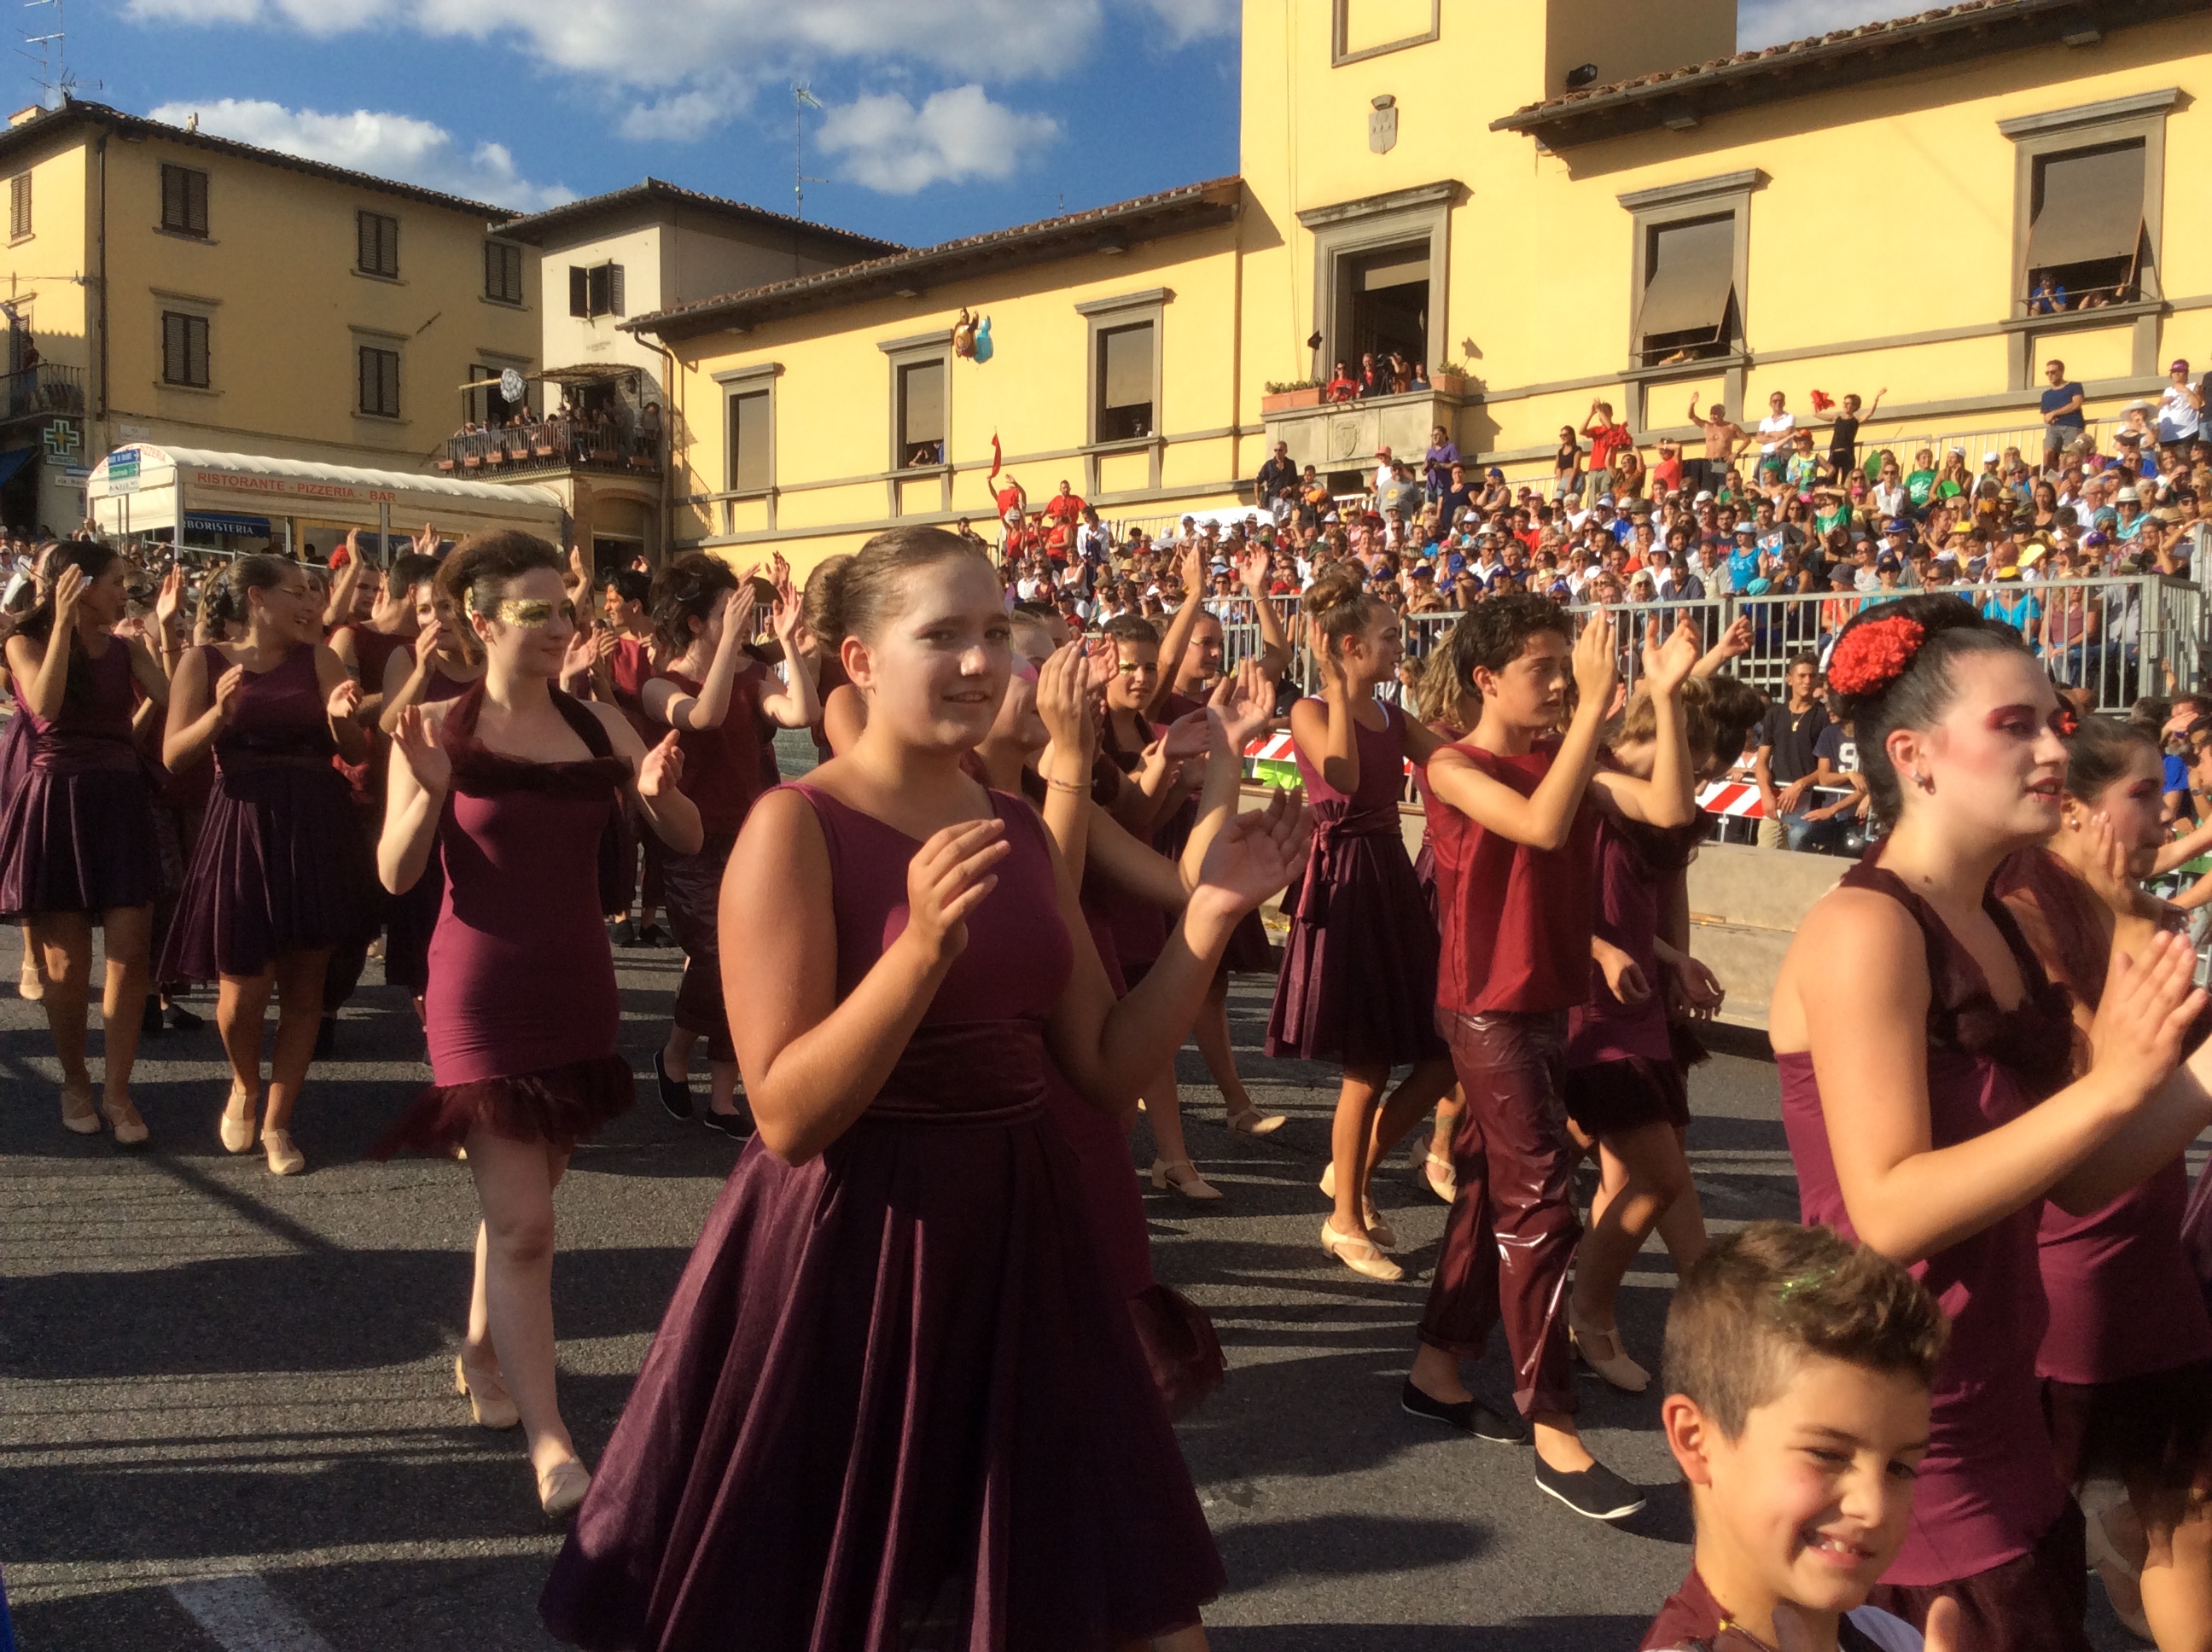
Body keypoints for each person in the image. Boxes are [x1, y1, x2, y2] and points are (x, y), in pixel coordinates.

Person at [539, 525, 1310, 1649]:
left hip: (1025, 1238)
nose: (977, 659)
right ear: (857, 660)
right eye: (940, 633)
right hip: (857, 1249)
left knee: (1124, 1605)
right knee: (851, 1597)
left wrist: (1205, 920)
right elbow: (788, 1116)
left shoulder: (1015, 829)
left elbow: (1102, 1069)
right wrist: (917, 957)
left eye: (994, 631)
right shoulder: (793, 827)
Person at [1769, 595, 2212, 1650]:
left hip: (1997, 1394)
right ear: (1914, 755)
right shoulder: (1865, 926)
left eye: (2053, 718)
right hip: (1905, 1422)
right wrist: (2113, 1081)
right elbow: (1887, 1209)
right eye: (2015, 725)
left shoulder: (1993, 927)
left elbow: (2074, 1180)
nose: (2055, 743)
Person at [374, 532, 701, 1519]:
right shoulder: (430, 723)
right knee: (526, 1222)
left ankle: (482, 1343)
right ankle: (551, 1439)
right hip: (478, 989)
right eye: (538, 610)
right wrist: (427, 797)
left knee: (528, 1199)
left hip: (578, 986)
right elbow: (393, 874)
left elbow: (683, 835)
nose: (562, 625)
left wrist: (661, 792)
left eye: (567, 608)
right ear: (481, 622)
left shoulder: (600, 721)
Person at [1409, 596, 1700, 1521]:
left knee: (1492, 1190)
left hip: (1545, 1003)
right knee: (1540, 1199)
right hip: (1486, 1009)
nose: (1561, 684)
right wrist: (1588, 714)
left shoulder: (1560, 754)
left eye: (1561, 667)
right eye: (1544, 670)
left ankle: (1436, 1370)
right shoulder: (1454, 762)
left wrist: (1664, 696)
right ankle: (1554, 1427)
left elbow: (1668, 812)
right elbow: (1535, 826)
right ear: (1487, 679)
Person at [1990, 716, 2212, 1649]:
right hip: (2065, 1268)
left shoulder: (2145, 915)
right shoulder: (2030, 919)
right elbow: (2095, 1101)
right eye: (2143, 797)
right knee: (2025, 1534)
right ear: (2073, 810)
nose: (2168, 815)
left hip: (2152, 1259)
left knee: (2185, 1509)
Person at [159, 555, 376, 1177]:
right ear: (257, 598)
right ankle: (244, 1085)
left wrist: (343, 721)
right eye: (298, 593)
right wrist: (217, 716)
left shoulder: (321, 659)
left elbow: (356, 751)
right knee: (241, 992)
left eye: (315, 593)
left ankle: (278, 1122)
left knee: (306, 986)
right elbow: (174, 757)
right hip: (242, 825)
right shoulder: (204, 661)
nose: (311, 604)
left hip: (314, 824)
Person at [1644, 1221, 1957, 1652]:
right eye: (1827, 1454)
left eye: (1900, 1467)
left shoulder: (1888, 1636)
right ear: (1696, 1439)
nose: (1874, 1507)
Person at [1269, 569, 1458, 1282]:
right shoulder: (1313, 712)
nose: (1398, 644)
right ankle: (1344, 1217)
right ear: (1349, 648)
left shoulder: (1391, 711)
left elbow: (1451, 762)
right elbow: (1343, 777)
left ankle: (1351, 1176)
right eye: (1384, 637)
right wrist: (1337, 686)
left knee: (1440, 1046)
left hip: (1388, 875)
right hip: (1346, 880)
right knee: (1368, 1064)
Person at [1563, 678, 1718, 1393]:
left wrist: (1675, 960)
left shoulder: (1645, 802)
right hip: (1586, 1001)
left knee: (1647, 1171)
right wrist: (1599, 949)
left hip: (1636, 997)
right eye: (1686, 756)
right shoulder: (1589, 783)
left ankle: (1710, 1305)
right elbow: (1545, 897)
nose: (1693, 779)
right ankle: (1586, 1315)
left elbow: (1650, 900)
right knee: (1657, 1173)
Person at [0, 544, 173, 1143]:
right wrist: (62, 626)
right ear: (76, 585)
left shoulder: (123, 647)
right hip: (57, 799)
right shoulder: (23, 642)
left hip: (120, 799)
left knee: (131, 953)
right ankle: (75, 1080)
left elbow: (171, 696)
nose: (125, 592)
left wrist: (165, 633)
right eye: (116, 582)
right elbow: (44, 706)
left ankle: (119, 1090)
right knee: (67, 964)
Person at [642, 554, 819, 1136]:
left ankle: (722, 1097)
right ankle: (672, 1052)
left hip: (751, 836)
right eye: (728, 611)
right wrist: (731, 648)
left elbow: (802, 711)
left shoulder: (748, 670)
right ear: (696, 623)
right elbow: (704, 716)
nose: (743, 621)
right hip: (692, 838)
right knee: (718, 958)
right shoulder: (659, 683)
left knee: (740, 962)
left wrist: (788, 644)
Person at [375, 562, 486, 1015]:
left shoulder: (493, 658)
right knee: (424, 926)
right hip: (427, 804)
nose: (431, 619)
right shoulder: (405, 658)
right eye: (422, 610)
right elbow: (388, 726)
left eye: (441, 606)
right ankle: (433, 1021)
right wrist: (421, 673)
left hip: (482, 804)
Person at [1756, 654, 1831, 852]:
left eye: (1812, 676)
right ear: (1789, 679)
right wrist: (1766, 794)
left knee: (1799, 860)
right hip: (1777, 802)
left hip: (1811, 804)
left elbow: (1827, 769)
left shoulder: (1824, 716)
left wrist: (1800, 785)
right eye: (1802, 675)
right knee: (1764, 855)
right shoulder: (1775, 714)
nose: (1807, 681)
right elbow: (1762, 761)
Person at [2040, 360, 2087, 462]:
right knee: (2048, 454)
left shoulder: (2074, 386)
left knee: (2069, 455)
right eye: (2047, 373)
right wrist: (2048, 418)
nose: (2050, 375)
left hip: (2072, 426)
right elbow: (2045, 416)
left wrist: (2054, 413)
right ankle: (2049, 476)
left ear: (2061, 372)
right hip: (2053, 428)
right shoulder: (2046, 394)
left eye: (2053, 372)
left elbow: (2077, 404)